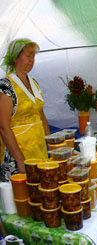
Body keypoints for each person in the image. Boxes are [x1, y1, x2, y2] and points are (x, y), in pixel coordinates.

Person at [0, 38, 50, 182]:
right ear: (15, 57)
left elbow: (41, 116)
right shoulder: (6, 86)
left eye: (33, 56)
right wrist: (20, 159)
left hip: (38, 150)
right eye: (28, 56)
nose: (31, 60)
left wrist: (51, 145)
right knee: (20, 198)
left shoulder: (34, 83)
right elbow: (3, 126)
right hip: (16, 155)